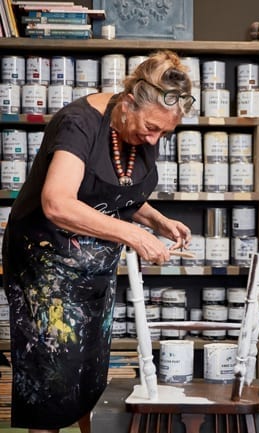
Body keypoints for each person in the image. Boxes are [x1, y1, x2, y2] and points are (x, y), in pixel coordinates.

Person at [2, 50, 195, 433]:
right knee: (53, 376)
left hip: (94, 266)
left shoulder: (137, 128)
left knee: (90, 371)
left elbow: (115, 191)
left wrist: (157, 220)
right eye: (151, 128)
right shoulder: (79, 124)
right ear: (126, 104)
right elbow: (57, 203)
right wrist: (132, 234)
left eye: (164, 133)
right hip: (46, 266)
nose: (155, 139)